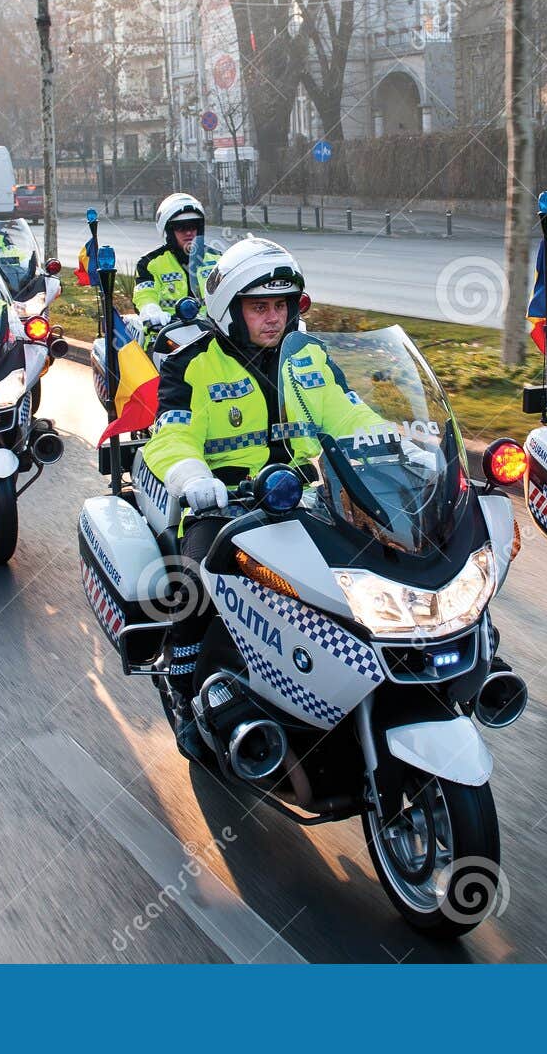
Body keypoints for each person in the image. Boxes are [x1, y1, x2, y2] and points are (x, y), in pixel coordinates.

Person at [139, 236, 381, 758]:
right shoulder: (191, 364)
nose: (272, 318)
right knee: (200, 583)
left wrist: (396, 441)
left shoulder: (310, 355)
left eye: (280, 306)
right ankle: (183, 691)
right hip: (224, 505)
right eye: (258, 307)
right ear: (231, 310)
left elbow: (346, 413)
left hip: (309, 498)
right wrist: (192, 475)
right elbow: (171, 433)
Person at [132, 193, 218, 330]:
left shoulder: (218, 259)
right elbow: (144, 293)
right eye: (181, 227)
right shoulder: (149, 264)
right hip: (166, 335)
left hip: (211, 333)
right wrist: (150, 310)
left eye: (194, 226)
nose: (189, 232)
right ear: (169, 230)